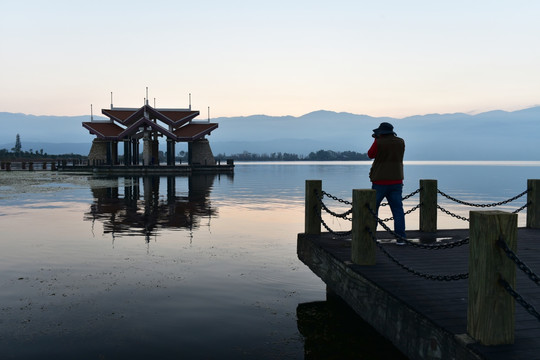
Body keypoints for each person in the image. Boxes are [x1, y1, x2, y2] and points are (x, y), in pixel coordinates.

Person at [367, 122, 406, 245]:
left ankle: (371, 237)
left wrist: (376, 140)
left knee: (373, 210)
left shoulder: (379, 142)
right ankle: (401, 238)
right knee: (398, 211)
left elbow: (370, 154)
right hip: (396, 180)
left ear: (381, 133)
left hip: (380, 180)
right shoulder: (401, 142)